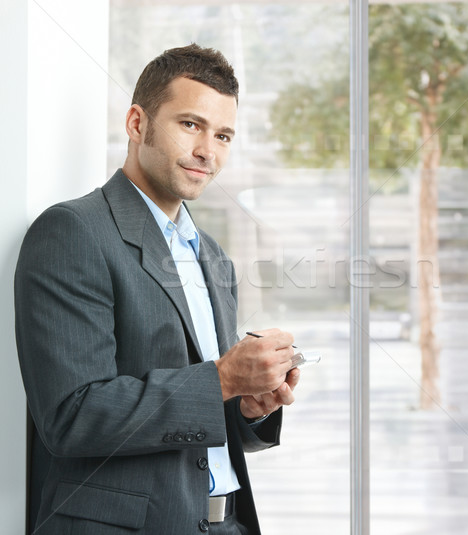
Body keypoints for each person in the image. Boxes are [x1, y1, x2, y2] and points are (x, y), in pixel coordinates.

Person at [14, 44, 300, 535]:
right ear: (136, 123)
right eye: (190, 124)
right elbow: (70, 416)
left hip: (226, 522)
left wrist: (248, 408)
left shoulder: (213, 257)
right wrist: (224, 380)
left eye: (224, 135)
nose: (208, 150)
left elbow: (201, 422)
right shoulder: (72, 231)